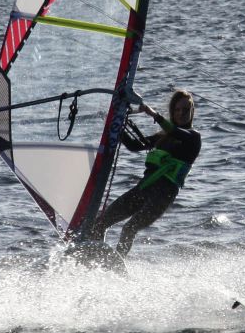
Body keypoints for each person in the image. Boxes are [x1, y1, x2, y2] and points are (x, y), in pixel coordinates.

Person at [80, 89, 202, 258]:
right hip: (144, 188)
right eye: (177, 110)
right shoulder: (163, 136)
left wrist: (153, 114)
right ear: (173, 111)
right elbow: (135, 145)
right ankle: (97, 259)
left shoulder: (194, 138)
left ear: (192, 112)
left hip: (163, 195)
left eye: (186, 110)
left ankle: (117, 262)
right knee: (100, 223)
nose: (181, 113)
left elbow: (176, 132)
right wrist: (114, 123)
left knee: (129, 228)